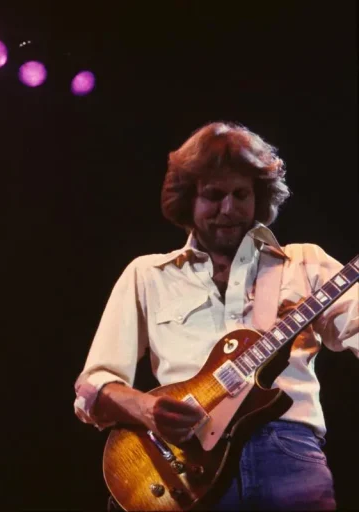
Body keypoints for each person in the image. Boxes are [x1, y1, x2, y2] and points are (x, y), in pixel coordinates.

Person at [74, 121, 357, 510]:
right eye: (213, 195)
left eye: (241, 194)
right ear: (188, 200)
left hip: (288, 456)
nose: (229, 209)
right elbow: (94, 386)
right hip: (185, 464)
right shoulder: (146, 274)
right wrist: (147, 410)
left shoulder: (305, 262)